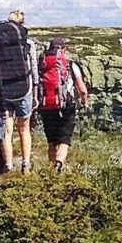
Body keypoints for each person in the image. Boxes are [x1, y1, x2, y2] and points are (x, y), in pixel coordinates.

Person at [0, 9, 37, 174]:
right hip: (24, 88)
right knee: (24, 129)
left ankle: (8, 167)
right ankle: (26, 164)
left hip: (2, 91)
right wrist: (35, 92)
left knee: (6, 130)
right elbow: (33, 69)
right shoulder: (28, 43)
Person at [37, 36, 88, 173]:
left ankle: (50, 169)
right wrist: (84, 101)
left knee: (52, 141)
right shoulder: (71, 65)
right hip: (66, 106)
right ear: (63, 49)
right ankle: (59, 164)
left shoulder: (41, 64)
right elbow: (82, 89)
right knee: (64, 139)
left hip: (46, 105)